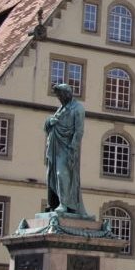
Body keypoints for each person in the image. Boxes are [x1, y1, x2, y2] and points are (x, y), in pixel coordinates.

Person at [44, 83, 87, 216]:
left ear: (67, 94)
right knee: (51, 176)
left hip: (67, 148)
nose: (59, 99)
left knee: (61, 174)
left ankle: (65, 204)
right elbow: (48, 126)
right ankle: (54, 203)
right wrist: (49, 121)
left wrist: (73, 149)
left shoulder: (77, 108)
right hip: (55, 147)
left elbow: (79, 131)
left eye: (60, 96)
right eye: (58, 96)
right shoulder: (61, 108)